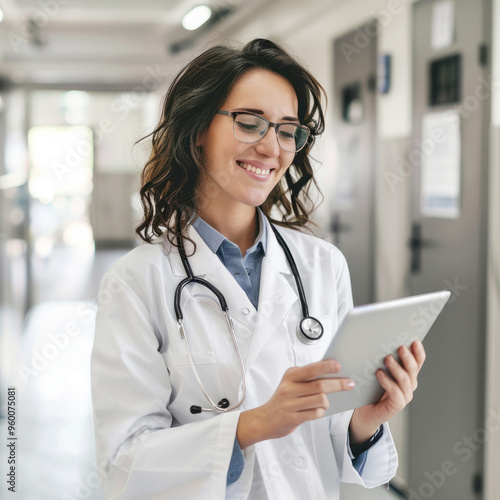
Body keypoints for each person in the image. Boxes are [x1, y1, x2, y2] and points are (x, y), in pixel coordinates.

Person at [90, 38, 426, 499]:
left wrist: (366, 421)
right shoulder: (135, 283)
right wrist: (254, 425)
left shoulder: (322, 266)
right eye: (250, 123)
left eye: (288, 131)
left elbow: (328, 431)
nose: (272, 147)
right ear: (198, 130)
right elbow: (125, 462)